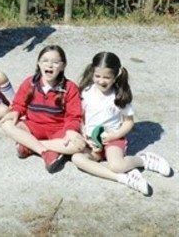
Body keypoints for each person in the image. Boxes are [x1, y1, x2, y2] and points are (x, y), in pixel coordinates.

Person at [71, 52, 171, 195]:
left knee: (117, 165)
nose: (101, 81)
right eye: (97, 76)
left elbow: (129, 122)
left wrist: (115, 135)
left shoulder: (118, 96)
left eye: (107, 77)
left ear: (116, 76)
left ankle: (143, 160)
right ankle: (123, 178)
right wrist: (84, 136)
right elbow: (80, 117)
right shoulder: (86, 93)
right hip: (93, 142)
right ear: (92, 72)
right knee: (77, 158)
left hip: (113, 140)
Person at [0, 45, 85, 173]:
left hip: (58, 129)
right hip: (33, 126)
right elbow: (19, 104)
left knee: (78, 145)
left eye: (55, 62)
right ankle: (46, 152)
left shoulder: (69, 87)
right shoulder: (30, 83)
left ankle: (29, 145)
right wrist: (16, 112)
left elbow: (73, 115)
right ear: (39, 64)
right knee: (6, 124)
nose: (49, 65)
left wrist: (71, 130)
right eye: (45, 61)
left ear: (63, 66)